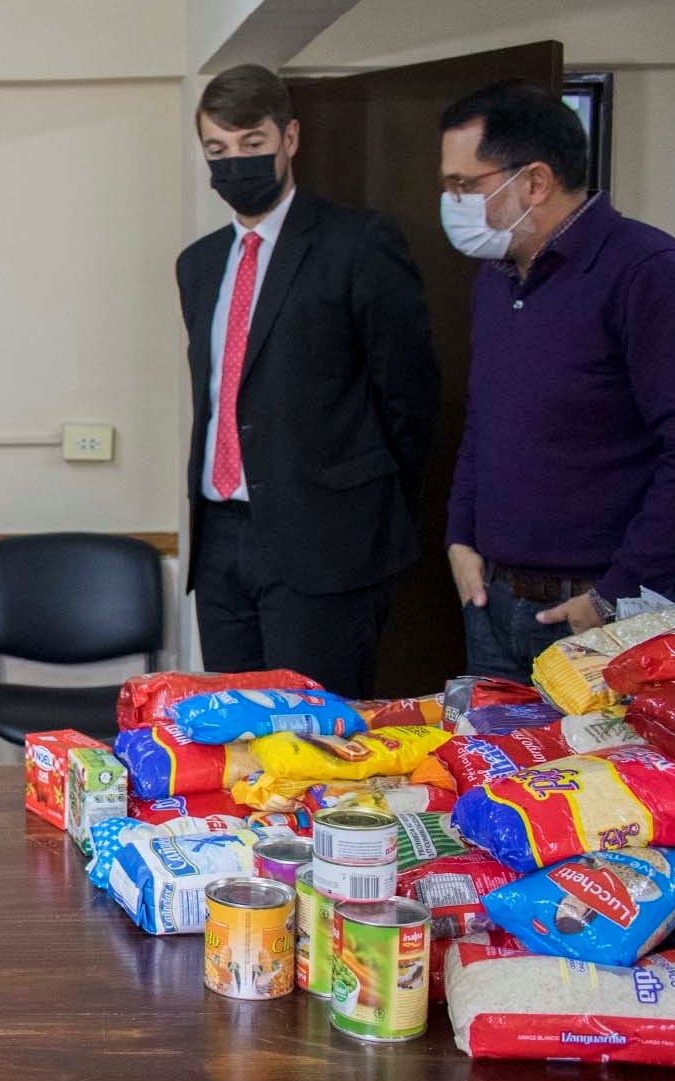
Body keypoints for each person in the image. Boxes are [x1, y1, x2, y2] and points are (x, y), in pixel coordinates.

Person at [439, 82, 675, 681]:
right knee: (499, 770)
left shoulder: (648, 273)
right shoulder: (495, 280)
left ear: (535, 183)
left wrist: (615, 596)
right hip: (494, 605)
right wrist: (461, 537)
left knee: (605, 777)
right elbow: (483, 420)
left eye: (466, 185)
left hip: (610, 614)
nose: (451, 202)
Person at [176, 65, 440, 698]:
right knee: (235, 740)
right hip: (221, 541)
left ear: (289, 138)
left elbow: (411, 395)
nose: (234, 163)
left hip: (327, 539)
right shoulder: (199, 263)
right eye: (218, 150)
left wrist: (366, 503)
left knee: (316, 738)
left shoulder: (357, 243)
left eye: (251, 145)